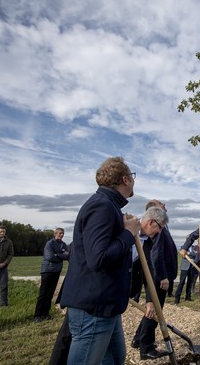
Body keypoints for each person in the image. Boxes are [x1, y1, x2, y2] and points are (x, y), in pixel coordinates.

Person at [60, 156, 142, 365]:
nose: (133, 181)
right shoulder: (102, 206)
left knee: (115, 359)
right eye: (132, 176)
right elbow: (98, 258)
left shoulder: (110, 206)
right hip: (94, 305)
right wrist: (129, 234)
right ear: (125, 179)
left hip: (107, 306)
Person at [131, 200, 177, 361]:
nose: (165, 206)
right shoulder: (152, 231)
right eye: (162, 205)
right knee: (154, 310)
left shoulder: (156, 230)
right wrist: (163, 276)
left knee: (152, 310)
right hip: (157, 276)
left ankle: (139, 339)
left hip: (157, 275)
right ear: (153, 216)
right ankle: (146, 346)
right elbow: (155, 257)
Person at [34, 228, 70, 323]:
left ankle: (46, 313)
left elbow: (67, 255)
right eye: (59, 233)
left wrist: (57, 255)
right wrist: (60, 255)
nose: (61, 235)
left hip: (57, 271)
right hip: (47, 271)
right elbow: (49, 257)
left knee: (50, 293)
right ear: (55, 234)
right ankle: (38, 315)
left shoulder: (63, 244)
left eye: (62, 233)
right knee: (43, 293)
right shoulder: (49, 244)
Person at [174, 237, 196, 304]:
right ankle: (177, 298)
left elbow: (196, 254)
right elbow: (183, 255)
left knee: (190, 282)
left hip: (192, 267)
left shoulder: (194, 247)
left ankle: (188, 297)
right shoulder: (182, 247)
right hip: (185, 267)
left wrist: (189, 253)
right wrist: (190, 254)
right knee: (181, 282)